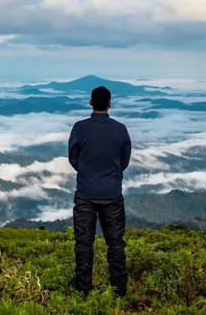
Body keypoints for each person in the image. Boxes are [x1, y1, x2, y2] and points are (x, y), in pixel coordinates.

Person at [67, 85, 131, 297]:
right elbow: (124, 160)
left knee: (84, 243)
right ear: (110, 103)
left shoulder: (79, 128)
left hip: (86, 193)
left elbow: (73, 158)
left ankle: (83, 289)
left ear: (91, 103)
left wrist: (87, 173)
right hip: (112, 194)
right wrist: (110, 175)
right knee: (116, 244)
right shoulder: (120, 129)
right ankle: (119, 290)